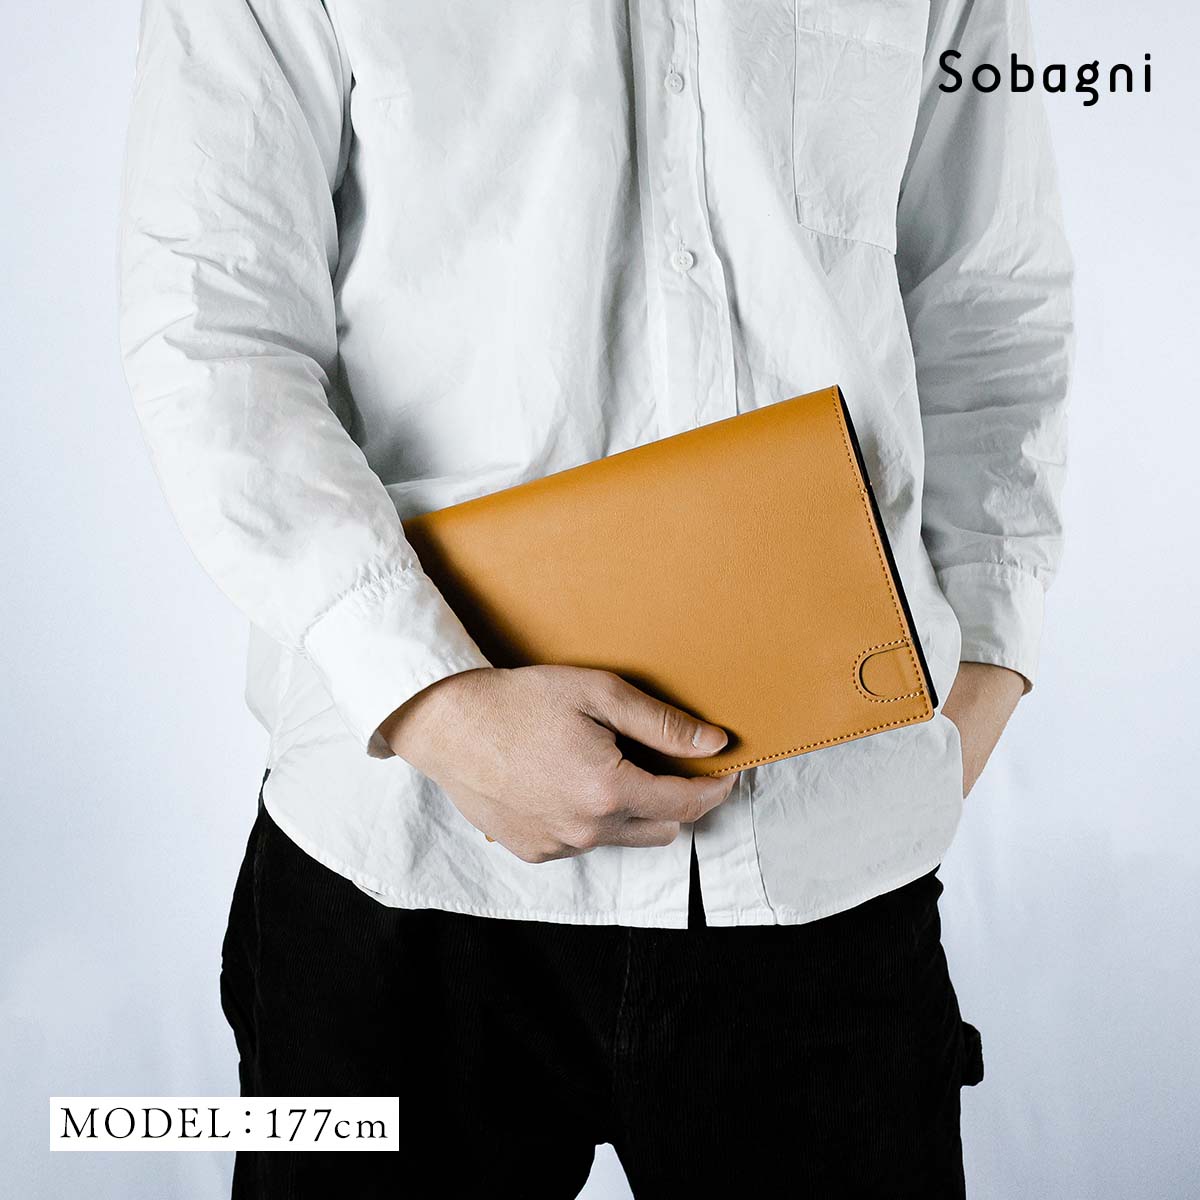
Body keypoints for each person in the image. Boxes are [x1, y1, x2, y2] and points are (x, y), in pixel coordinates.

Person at [115, 0, 1072, 1195]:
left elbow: (989, 300)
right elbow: (214, 326)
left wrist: (980, 677)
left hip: (830, 867)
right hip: (400, 870)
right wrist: (436, 705)